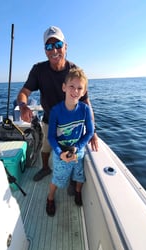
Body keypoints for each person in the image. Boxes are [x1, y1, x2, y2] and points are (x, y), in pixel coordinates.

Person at [17, 25, 98, 182]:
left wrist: (93, 131)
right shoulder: (38, 70)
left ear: (65, 47)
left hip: (74, 122)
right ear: (45, 50)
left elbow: (86, 102)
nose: (54, 50)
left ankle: (71, 176)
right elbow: (24, 92)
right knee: (46, 147)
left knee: (72, 150)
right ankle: (45, 168)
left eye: (58, 45)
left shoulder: (74, 71)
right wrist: (23, 106)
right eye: (49, 46)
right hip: (50, 120)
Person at [46, 68, 94, 216]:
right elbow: (51, 137)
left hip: (78, 150)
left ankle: (78, 191)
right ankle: (50, 198)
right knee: (58, 179)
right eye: (72, 86)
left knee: (80, 175)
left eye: (80, 88)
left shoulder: (85, 109)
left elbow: (90, 132)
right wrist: (60, 153)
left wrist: (78, 147)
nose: (75, 91)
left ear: (84, 91)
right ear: (64, 87)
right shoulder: (56, 111)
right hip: (61, 151)